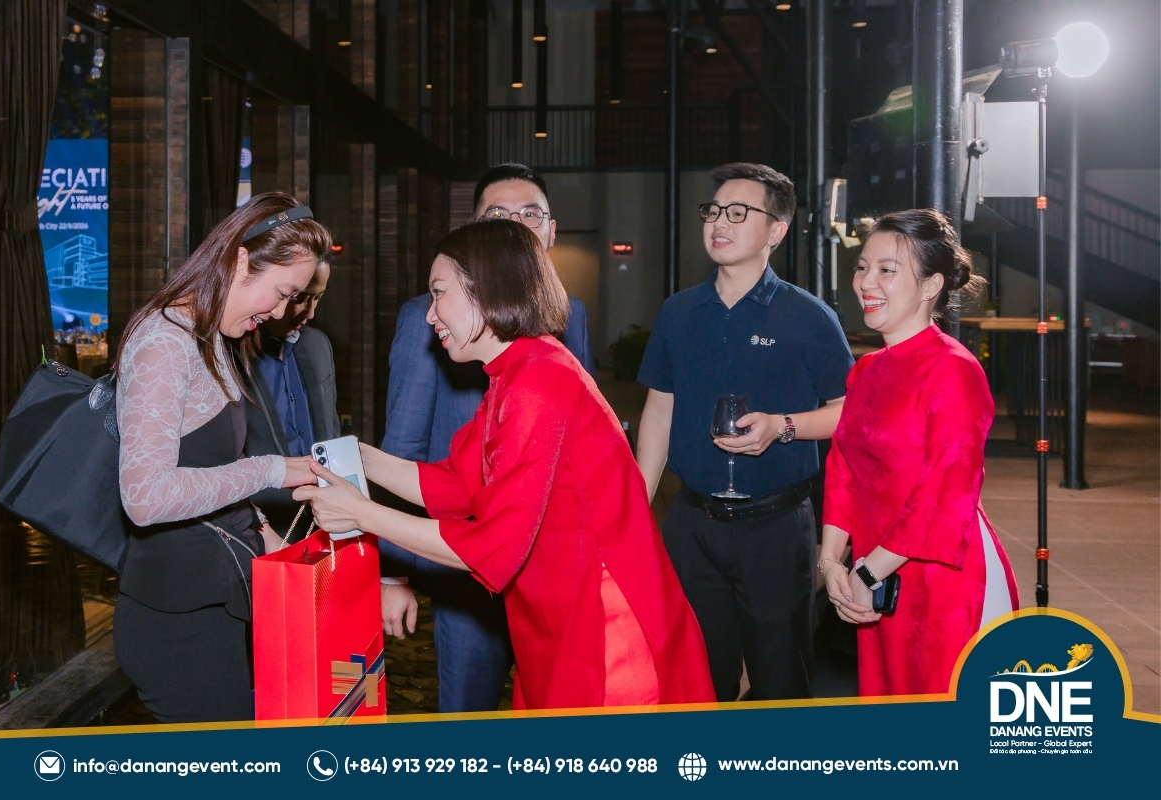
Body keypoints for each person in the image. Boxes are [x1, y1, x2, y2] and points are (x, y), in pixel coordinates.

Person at [296, 220, 715, 710]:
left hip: (602, 620)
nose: (430, 315)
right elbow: (454, 484)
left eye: (439, 293)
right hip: (559, 609)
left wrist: (361, 513)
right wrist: (358, 458)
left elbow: (492, 547)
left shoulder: (538, 381)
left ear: (487, 289)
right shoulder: (518, 371)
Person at [378, 163, 595, 713]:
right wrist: (392, 571)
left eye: (530, 215)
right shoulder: (449, 333)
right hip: (466, 568)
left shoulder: (548, 353)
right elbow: (427, 456)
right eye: (498, 215)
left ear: (551, 231)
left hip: (554, 570)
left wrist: (360, 511)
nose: (515, 227)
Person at [635, 163, 854, 702]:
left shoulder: (809, 317)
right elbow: (659, 411)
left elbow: (849, 410)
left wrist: (783, 427)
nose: (718, 223)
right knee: (694, 680)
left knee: (781, 682)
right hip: (692, 524)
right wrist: (637, 504)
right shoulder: (677, 313)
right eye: (713, 211)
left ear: (776, 230)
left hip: (776, 527)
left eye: (738, 213)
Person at [113, 192, 329, 722]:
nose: (279, 312)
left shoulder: (211, 337)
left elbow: (208, 470)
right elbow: (144, 498)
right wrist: (269, 471)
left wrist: (264, 533)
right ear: (239, 260)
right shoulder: (164, 343)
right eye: (283, 293)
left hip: (215, 594)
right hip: (175, 615)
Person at [820, 208, 1018, 697]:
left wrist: (867, 572)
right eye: (863, 266)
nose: (866, 281)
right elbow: (844, 471)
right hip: (879, 576)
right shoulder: (866, 370)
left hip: (944, 580)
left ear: (931, 285)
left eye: (887, 269)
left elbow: (944, 497)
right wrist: (830, 562)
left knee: (945, 714)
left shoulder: (954, 371)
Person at [244, 257, 340, 540]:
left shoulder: (318, 345)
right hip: (257, 531)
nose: (310, 312)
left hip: (321, 524)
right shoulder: (231, 354)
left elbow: (331, 433)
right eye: (301, 298)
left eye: (318, 298)